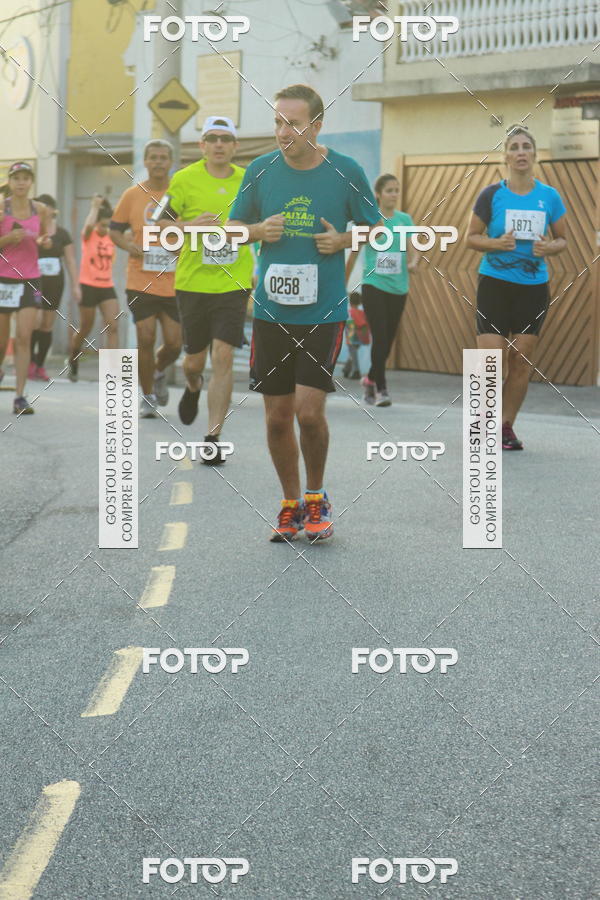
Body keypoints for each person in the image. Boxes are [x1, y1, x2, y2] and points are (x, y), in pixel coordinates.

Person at [229, 84, 379, 542]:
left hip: (324, 311)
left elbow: (378, 231)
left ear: (317, 125)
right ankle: (290, 503)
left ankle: (317, 497)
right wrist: (256, 229)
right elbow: (234, 229)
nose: (283, 131)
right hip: (272, 312)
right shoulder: (260, 170)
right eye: (277, 121)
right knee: (276, 417)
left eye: (293, 123)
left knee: (309, 413)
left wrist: (343, 241)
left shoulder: (346, 170)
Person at [467, 124, 567, 450]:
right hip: (494, 284)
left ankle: (505, 426)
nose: (521, 152)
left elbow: (563, 240)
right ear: (506, 156)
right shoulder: (491, 194)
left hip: (533, 287)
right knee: (491, 359)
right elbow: (471, 238)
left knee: (521, 359)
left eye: (526, 146)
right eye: (515, 147)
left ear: (535, 154)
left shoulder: (549, 196)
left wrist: (547, 248)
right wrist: (497, 244)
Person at [160, 115, 253, 460]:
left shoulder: (249, 181)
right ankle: (192, 384)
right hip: (192, 283)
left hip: (234, 282)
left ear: (234, 146)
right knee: (194, 361)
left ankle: (213, 438)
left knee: (224, 355)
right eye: (212, 138)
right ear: (202, 146)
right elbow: (159, 228)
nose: (218, 144)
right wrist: (188, 225)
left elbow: (261, 224)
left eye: (225, 139)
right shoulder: (183, 180)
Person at [110, 140, 182, 418]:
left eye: (164, 157)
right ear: (145, 161)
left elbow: (194, 229)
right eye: (153, 157)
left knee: (175, 343)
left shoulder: (180, 193)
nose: (159, 162)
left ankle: (159, 370)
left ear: (171, 162)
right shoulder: (132, 195)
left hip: (174, 280)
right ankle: (148, 396)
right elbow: (114, 230)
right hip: (140, 280)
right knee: (146, 336)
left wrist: (182, 246)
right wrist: (129, 247)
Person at [346, 173, 418, 406]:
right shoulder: (370, 219)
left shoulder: (404, 220)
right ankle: (381, 390)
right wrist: (342, 282)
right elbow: (355, 250)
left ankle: (369, 379)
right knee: (380, 338)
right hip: (374, 284)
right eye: (389, 190)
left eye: (397, 190)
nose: (394, 194)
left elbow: (413, 246)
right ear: (378, 194)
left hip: (399, 286)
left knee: (387, 341)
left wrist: (414, 262)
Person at [0, 162, 52, 414]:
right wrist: (8, 239)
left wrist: (45, 240)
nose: (21, 182)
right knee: (1, 342)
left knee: (24, 337)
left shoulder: (39, 209)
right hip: (4, 279)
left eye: (25, 178)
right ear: (10, 181)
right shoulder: (2, 208)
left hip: (32, 279)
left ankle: (20, 396)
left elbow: (44, 236)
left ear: (31, 182)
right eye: (16, 178)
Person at [66, 195, 119, 381]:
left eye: (109, 226)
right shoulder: (89, 235)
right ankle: (73, 357)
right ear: (97, 224)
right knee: (86, 326)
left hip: (107, 286)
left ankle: (112, 370)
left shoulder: (113, 237)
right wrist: (95, 207)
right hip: (88, 285)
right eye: (103, 225)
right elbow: (88, 226)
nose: (106, 229)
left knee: (113, 326)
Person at [29, 194, 80, 381]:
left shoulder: (62, 233)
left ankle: (40, 365)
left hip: (55, 282)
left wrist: (76, 285)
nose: (40, 210)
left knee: (47, 324)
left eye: (44, 206)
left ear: (52, 209)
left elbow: (71, 260)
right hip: (34, 281)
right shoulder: (32, 229)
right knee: (35, 320)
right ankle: (30, 361)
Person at [342, 292, 370, 379]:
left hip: (352, 336)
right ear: (360, 302)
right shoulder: (361, 312)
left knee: (353, 353)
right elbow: (365, 322)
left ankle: (356, 371)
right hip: (360, 336)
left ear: (350, 301)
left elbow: (358, 323)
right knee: (352, 353)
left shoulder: (350, 312)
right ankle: (347, 368)